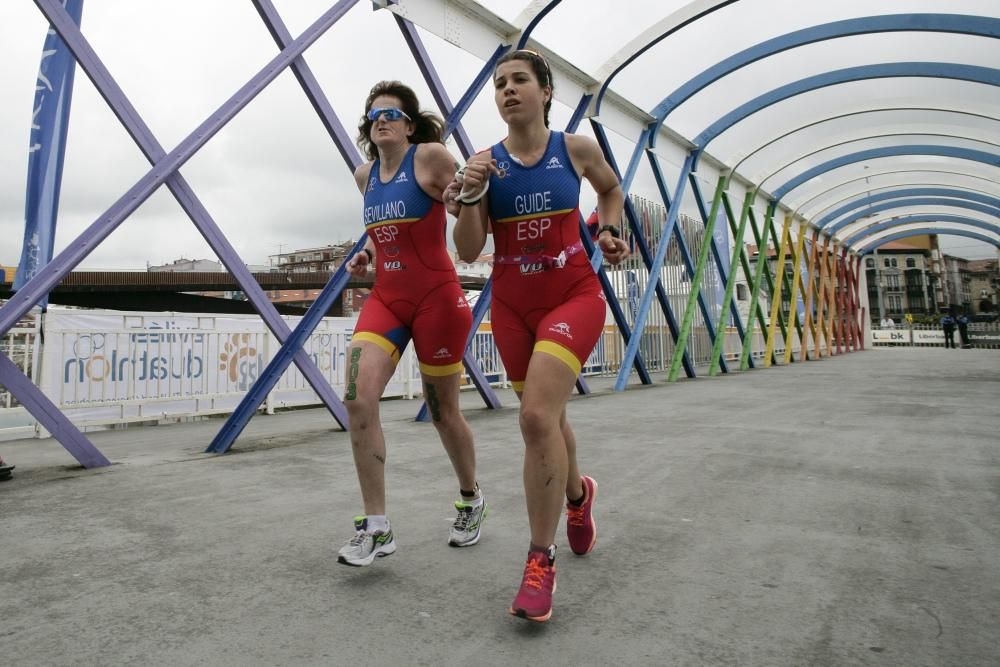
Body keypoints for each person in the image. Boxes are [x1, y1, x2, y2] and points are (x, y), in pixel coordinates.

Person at [449, 49, 629, 622]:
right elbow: (469, 250)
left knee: (533, 419)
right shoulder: (483, 163)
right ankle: (578, 497)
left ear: (545, 91)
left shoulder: (574, 149)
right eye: (499, 83)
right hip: (512, 307)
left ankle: (538, 561)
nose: (507, 90)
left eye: (520, 80)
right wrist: (472, 194)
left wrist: (611, 233)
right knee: (550, 420)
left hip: (573, 296)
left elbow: (610, 192)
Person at [336, 81, 486, 567]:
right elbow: (385, 233)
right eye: (373, 114)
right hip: (387, 297)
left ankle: (470, 498)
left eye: (391, 114)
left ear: (410, 124)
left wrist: (460, 203)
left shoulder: (431, 157)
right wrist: (367, 253)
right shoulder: (365, 176)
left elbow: (461, 203)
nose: (381, 120)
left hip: (437, 300)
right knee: (358, 397)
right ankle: (376, 527)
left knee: (443, 412)